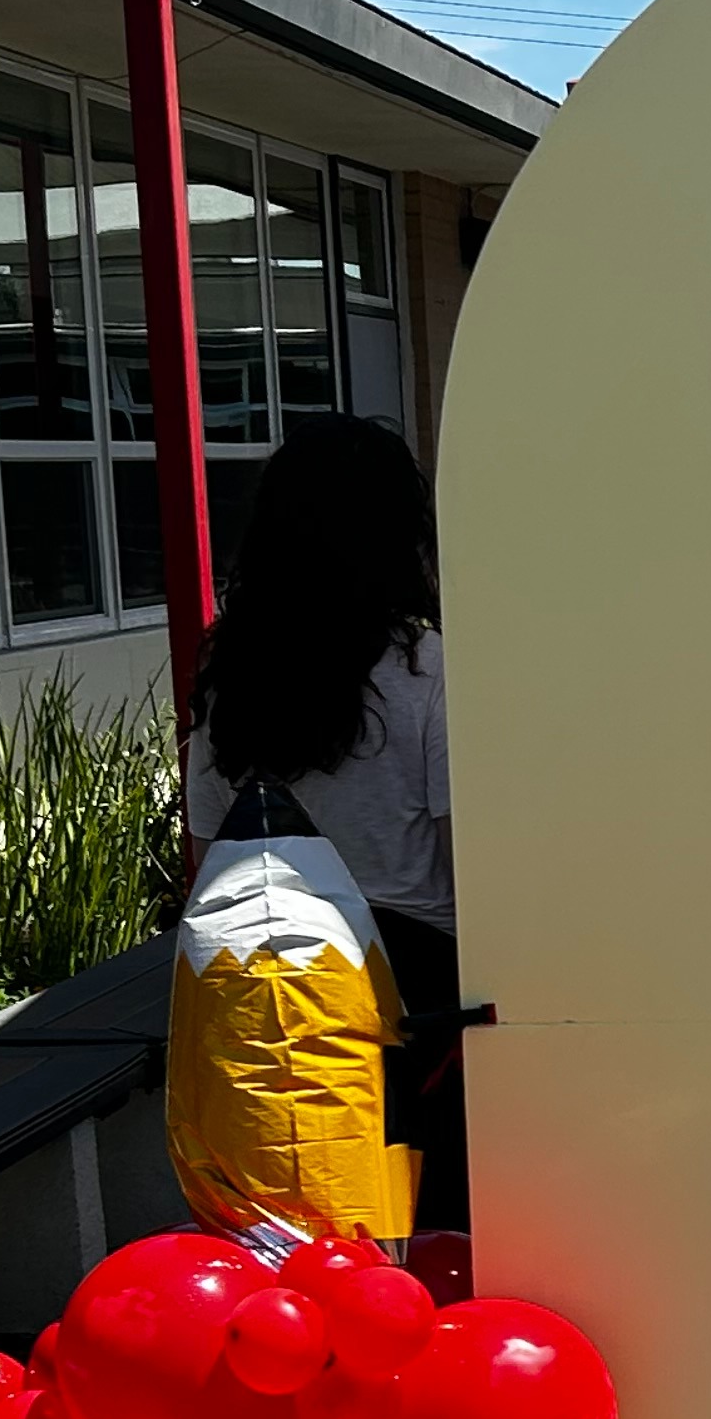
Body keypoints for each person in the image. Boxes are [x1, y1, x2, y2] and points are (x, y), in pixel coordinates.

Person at [184, 416, 467, 1229]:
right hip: (406, 1005)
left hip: (259, 996)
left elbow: (210, 860)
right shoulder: (427, 670)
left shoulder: (227, 671)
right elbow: (465, 869)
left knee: (286, 1243)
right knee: (415, 1239)